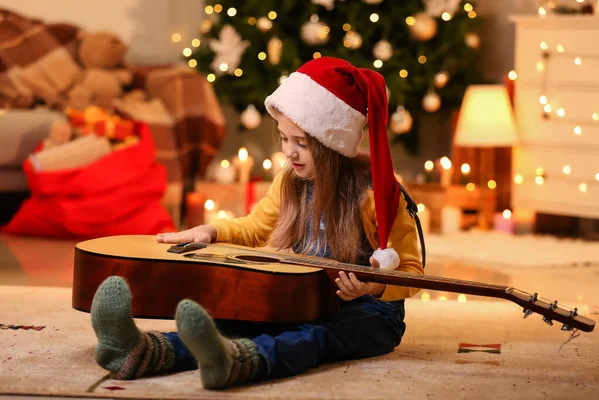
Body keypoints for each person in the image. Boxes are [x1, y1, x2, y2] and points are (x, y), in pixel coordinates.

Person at [90, 57, 425, 390]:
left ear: (331, 143)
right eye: (284, 139)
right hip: (309, 298)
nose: (289, 153)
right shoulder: (290, 183)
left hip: (373, 314)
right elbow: (254, 228)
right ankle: (144, 351)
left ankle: (241, 362)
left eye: (302, 144)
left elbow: (412, 270)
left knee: (315, 335)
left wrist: (373, 287)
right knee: (240, 320)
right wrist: (212, 230)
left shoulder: (374, 195)